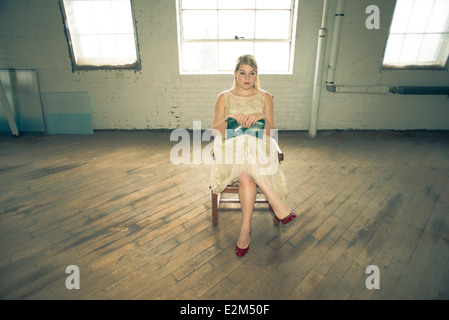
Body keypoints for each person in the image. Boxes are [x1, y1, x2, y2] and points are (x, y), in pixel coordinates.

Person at [210, 54, 296, 257]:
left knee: (246, 174)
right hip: (230, 151)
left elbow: (271, 132)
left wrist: (262, 118)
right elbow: (215, 130)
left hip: (258, 151)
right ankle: (274, 200)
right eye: (242, 73)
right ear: (235, 74)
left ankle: (245, 231)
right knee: (242, 142)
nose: (247, 78)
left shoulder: (265, 96)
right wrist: (230, 119)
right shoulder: (224, 96)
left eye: (252, 74)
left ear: (257, 75)